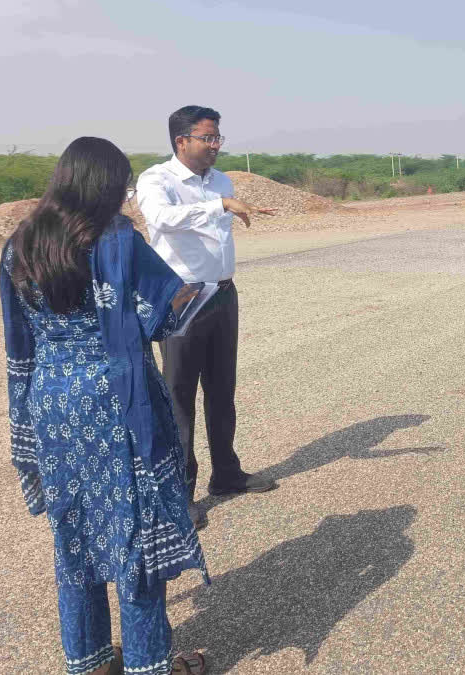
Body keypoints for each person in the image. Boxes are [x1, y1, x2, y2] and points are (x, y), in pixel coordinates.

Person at [1, 137, 209, 675]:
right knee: (133, 538)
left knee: (76, 538)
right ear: (108, 184)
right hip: (118, 402)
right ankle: (149, 667)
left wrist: (23, 422)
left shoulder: (18, 243)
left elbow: (18, 344)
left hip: (52, 400)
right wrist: (189, 293)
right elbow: (162, 313)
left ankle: (90, 663)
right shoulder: (115, 239)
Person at [136, 106, 277, 527]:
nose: (215, 145)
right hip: (182, 299)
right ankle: (180, 494)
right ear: (182, 141)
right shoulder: (156, 180)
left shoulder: (221, 181)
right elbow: (159, 219)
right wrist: (219, 206)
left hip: (222, 295)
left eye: (218, 138)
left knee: (222, 390)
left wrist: (222, 202)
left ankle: (227, 474)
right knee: (178, 396)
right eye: (207, 138)